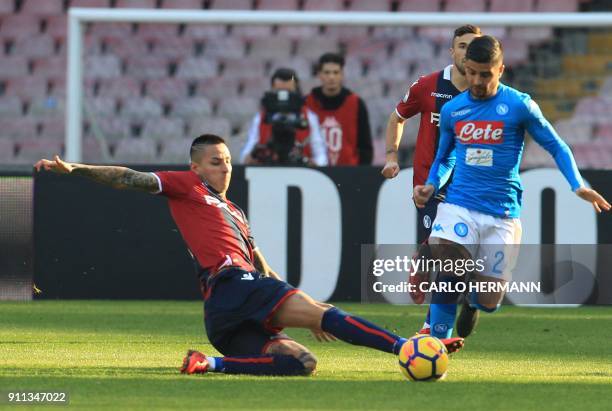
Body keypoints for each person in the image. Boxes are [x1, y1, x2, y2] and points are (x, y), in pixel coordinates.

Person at [34, 134, 463, 377]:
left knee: (303, 364)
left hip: (225, 317)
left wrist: (300, 304)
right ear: (197, 167)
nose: (226, 168)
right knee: (327, 314)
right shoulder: (187, 186)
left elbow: (264, 268)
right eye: (216, 162)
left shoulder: (235, 212)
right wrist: (77, 169)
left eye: (227, 161)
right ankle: (405, 346)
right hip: (230, 286)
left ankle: (210, 363)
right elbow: (129, 178)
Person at [413, 36, 610, 342]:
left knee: (490, 300)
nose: (478, 81)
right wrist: (432, 184)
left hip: (502, 213)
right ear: (465, 67)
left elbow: (556, 146)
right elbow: (445, 156)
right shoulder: (453, 110)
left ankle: (473, 301)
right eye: (473, 73)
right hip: (459, 203)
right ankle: (437, 342)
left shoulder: (519, 105)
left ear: (501, 70)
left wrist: (577, 185)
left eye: (486, 74)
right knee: (449, 264)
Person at [381, 25, 482, 333]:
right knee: (449, 254)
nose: (467, 52)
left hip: (472, 185)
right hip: (431, 183)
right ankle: (433, 328)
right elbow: (398, 116)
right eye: (462, 46)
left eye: (473, 47)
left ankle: (431, 261)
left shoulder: (488, 91)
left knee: (464, 259)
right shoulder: (428, 86)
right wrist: (391, 156)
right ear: (452, 52)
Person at [240, 68, 328, 166]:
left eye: (288, 92)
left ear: (296, 91)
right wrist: (248, 158)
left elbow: (320, 153)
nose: (284, 97)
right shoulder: (260, 118)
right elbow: (248, 150)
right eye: (280, 91)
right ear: (272, 90)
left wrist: (316, 164)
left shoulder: (309, 117)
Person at [305, 53, 373, 165]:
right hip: (313, 172)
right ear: (320, 75)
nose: (331, 77)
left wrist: (362, 173)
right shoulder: (306, 103)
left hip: (348, 173)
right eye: (327, 72)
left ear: (342, 75)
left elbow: (365, 145)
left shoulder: (356, 103)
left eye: (336, 72)